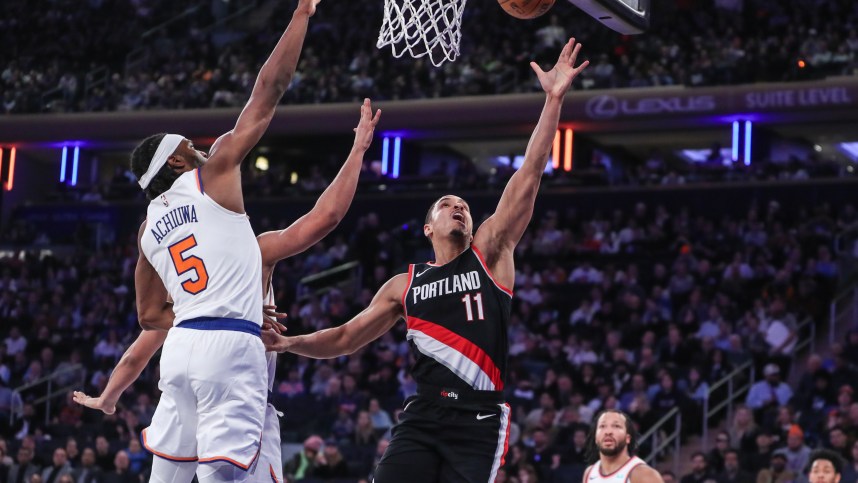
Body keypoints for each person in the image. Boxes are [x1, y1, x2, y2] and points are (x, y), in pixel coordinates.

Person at [264, 38, 590, 483]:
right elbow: (345, 337)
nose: (459, 208)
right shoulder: (404, 285)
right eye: (446, 204)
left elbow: (529, 173)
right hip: (423, 414)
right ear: (427, 228)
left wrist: (553, 100)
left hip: (479, 417)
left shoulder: (489, 254)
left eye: (465, 207)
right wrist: (289, 343)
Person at [73, 98, 380, 483]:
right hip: (236, 381)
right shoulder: (259, 249)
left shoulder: (176, 270)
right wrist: (357, 151)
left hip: (188, 363)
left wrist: (109, 396)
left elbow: (146, 336)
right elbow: (325, 218)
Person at [124, 0, 323, 480]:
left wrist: (201, 307)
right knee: (225, 476)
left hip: (180, 351)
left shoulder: (147, 226)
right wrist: (301, 15)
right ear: (175, 162)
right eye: (187, 146)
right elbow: (268, 91)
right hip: (230, 345)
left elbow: (149, 316)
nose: (200, 146)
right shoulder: (212, 174)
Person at [582, 410, 663, 483]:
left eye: (616, 426)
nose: (608, 432)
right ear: (596, 438)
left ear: (627, 438)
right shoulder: (589, 473)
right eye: (602, 426)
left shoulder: (643, 474)